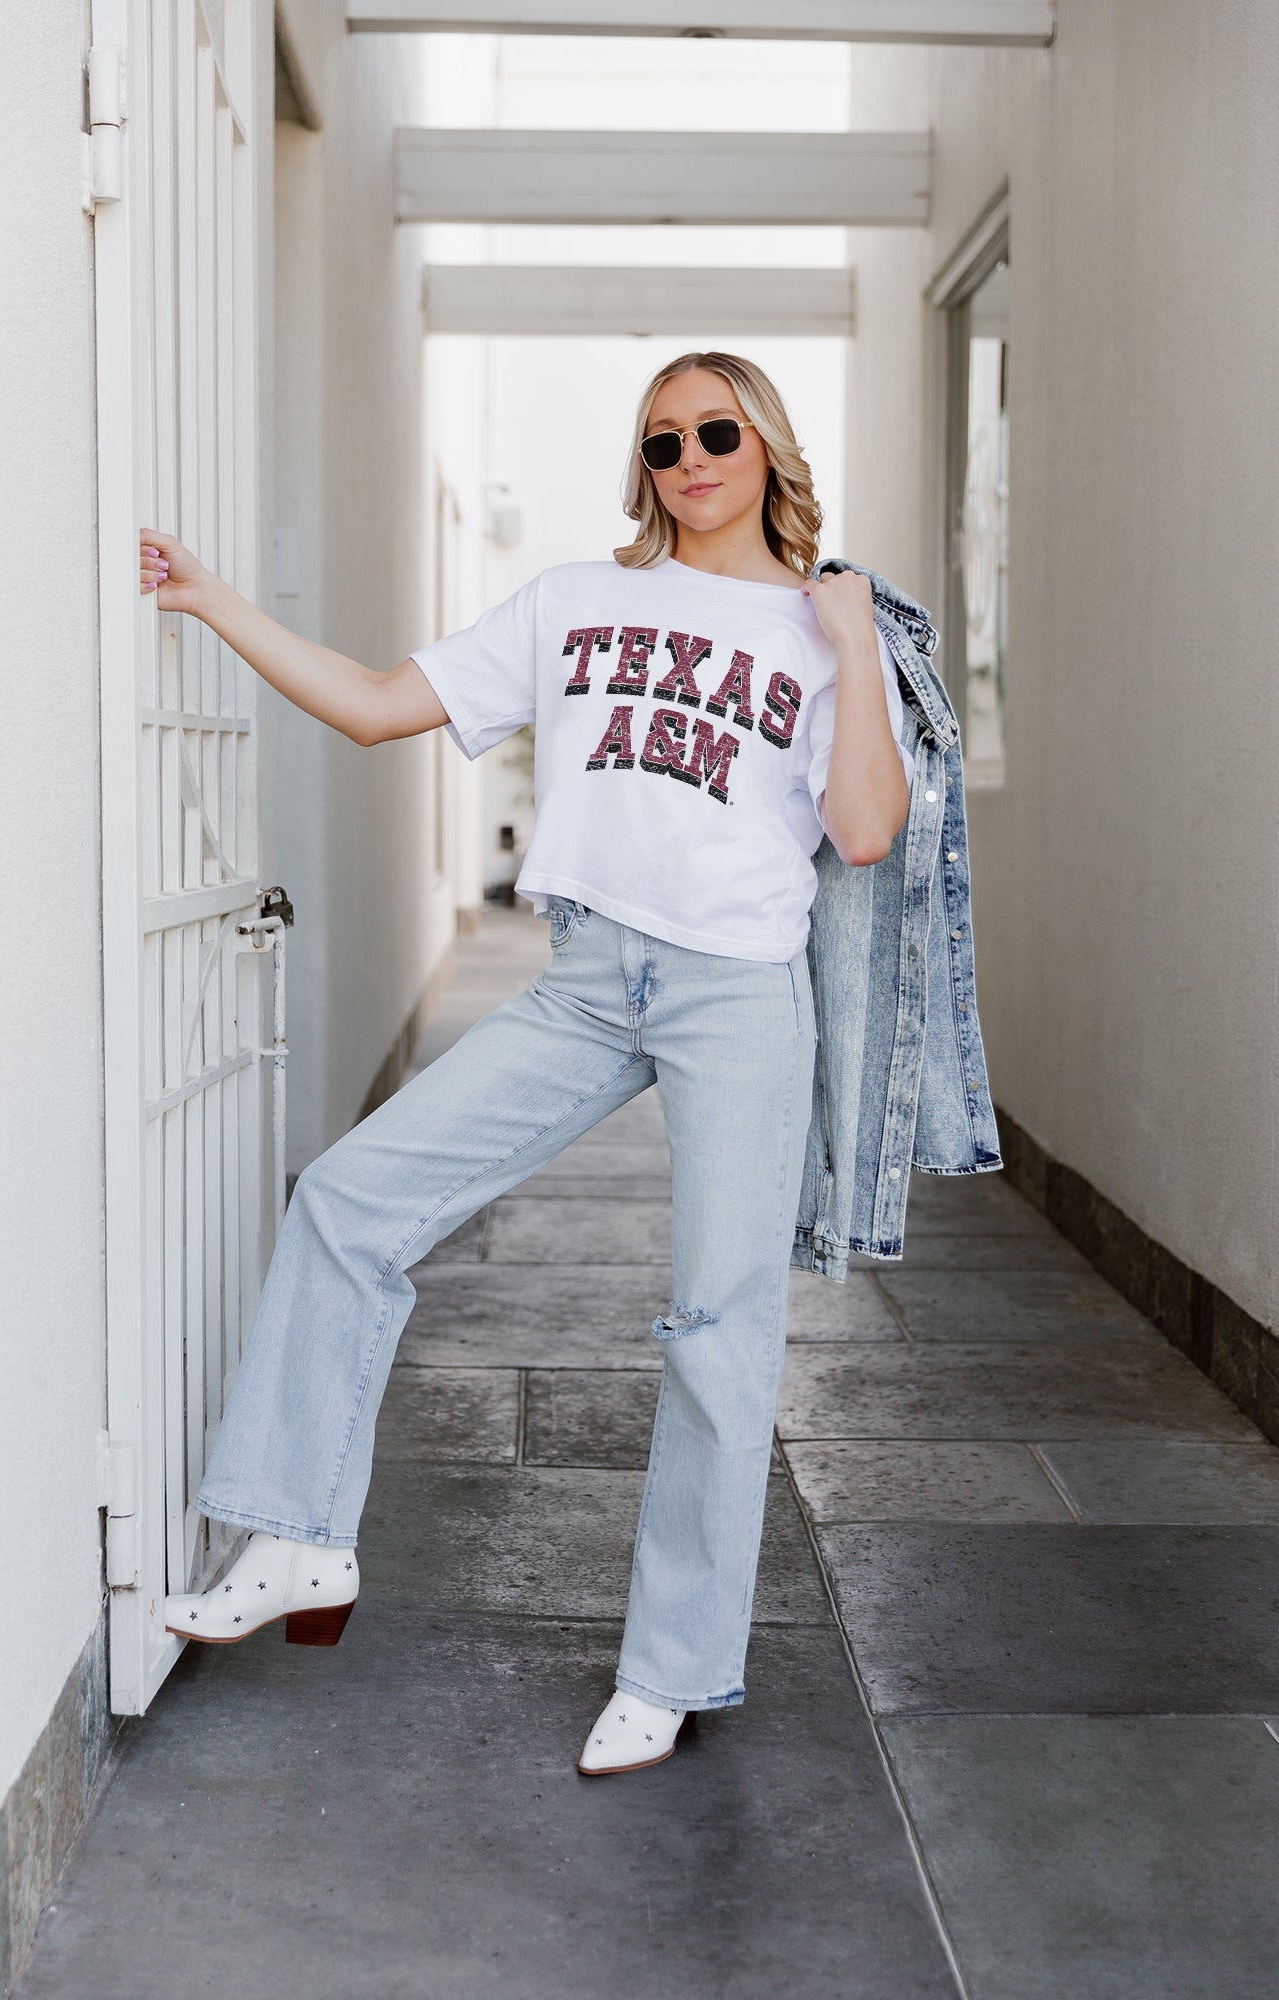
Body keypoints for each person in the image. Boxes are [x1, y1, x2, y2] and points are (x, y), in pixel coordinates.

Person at [142, 350, 916, 1777]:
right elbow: (381, 704)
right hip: (585, 980)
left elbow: (863, 830)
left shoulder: (820, 633)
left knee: (716, 1332)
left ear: (766, 449)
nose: (689, 457)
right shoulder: (578, 599)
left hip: (736, 994)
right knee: (349, 1196)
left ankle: (672, 1671)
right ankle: (298, 1535)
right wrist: (210, 599)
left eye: (716, 432)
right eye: (663, 438)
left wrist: (853, 638)